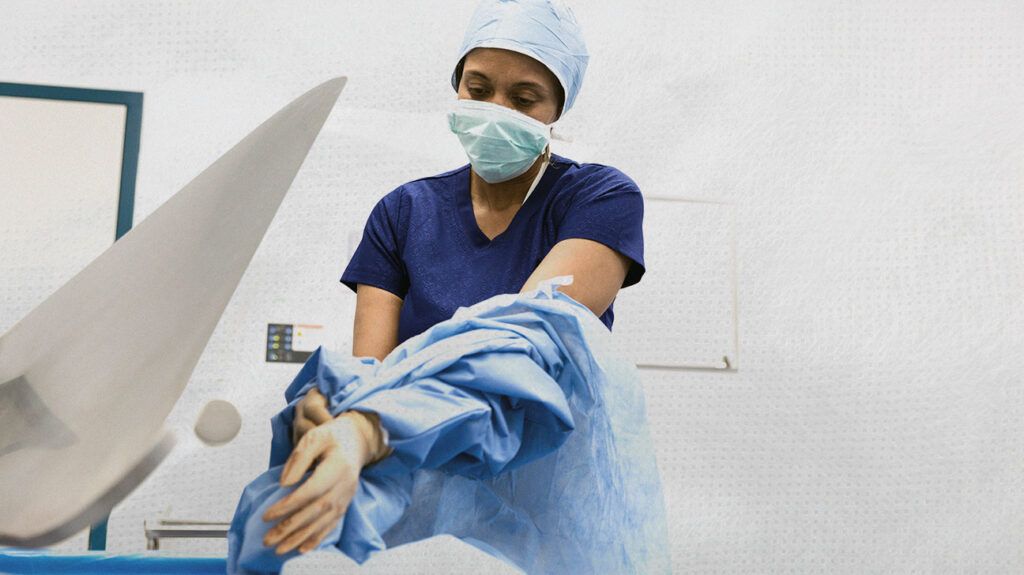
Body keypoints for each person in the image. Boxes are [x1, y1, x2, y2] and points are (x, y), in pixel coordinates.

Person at [259, 0, 646, 556]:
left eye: (523, 98)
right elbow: (375, 373)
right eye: (478, 87)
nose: (494, 109)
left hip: (548, 491)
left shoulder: (599, 198)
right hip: (417, 483)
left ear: (557, 107)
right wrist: (341, 417)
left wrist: (373, 426)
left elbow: (524, 342)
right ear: (457, 86)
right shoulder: (403, 212)